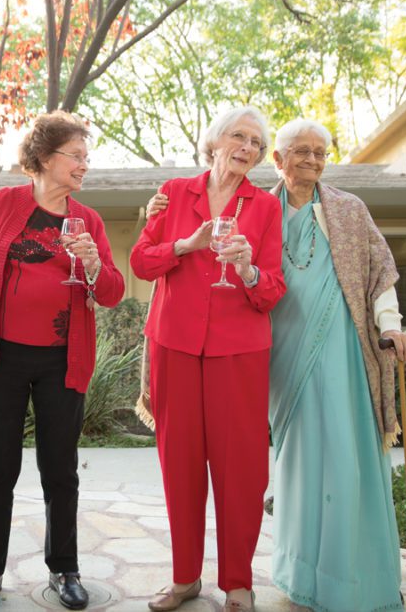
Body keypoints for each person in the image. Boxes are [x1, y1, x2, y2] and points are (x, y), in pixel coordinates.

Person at [0, 111, 125, 611]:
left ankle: (64, 569)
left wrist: (91, 263)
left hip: (63, 360)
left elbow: (111, 291)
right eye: (76, 156)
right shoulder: (3, 204)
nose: (85, 165)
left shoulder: (89, 221)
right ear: (44, 159)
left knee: (59, 469)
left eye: (87, 157)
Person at [131, 106, 286, 612]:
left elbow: (272, 290)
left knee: (240, 467)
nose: (248, 147)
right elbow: (141, 261)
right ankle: (184, 578)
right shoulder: (173, 194)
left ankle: (237, 581)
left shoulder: (264, 207)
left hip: (240, 351)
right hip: (174, 344)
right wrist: (185, 243)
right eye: (239, 136)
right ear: (215, 141)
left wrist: (245, 270)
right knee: (180, 465)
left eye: (257, 143)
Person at [266, 119, 406, 612]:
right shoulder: (256, 210)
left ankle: (357, 580)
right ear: (278, 159)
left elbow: (380, 274)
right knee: (301, 461)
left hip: (347, 349)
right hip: (282, 356)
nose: (312, 160)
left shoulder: (350, 209)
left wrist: (390, 324)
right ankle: (299, 574)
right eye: (301, 152)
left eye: (320, 153)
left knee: (350, 459)